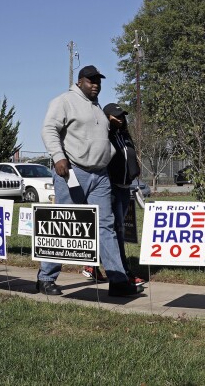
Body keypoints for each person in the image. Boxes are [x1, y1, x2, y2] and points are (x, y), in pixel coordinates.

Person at [38, 65, 143, 297]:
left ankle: (117, 280)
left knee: (106, 227)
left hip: (100, 175)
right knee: (63, 225)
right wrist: (58, 157)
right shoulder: (64, 101)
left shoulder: (96, 108)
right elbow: (48, 129)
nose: (95, 84)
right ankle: (45, 277)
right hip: (72, 172)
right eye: (91, 80)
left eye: (98, 81)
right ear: (80, 81)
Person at [82, 102, 146, 287]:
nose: (120, 118)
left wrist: (135, 170)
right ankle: (123, 273)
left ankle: (93, 266)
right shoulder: (105, 136)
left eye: (122, 116)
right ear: (106, 117)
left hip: (125, 187)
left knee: (115, 230)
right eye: (116, 116)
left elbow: (129, 156)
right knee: (114, 230)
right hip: (110, 189)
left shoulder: (124, 135)